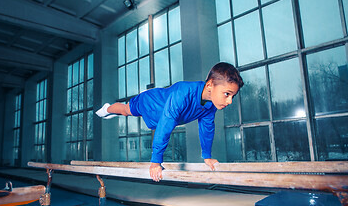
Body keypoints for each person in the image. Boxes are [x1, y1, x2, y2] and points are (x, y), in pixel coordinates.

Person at [96, 62, 244, 182]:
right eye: (227, 94)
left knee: (130, 113)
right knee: (125, 110)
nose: (229, 101)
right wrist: (155, 161)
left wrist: (207, 156)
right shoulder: (183, 93)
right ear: (210, 85)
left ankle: (110, 110)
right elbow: (165, 125)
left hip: (165, 117)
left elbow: (207, 129)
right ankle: (107, 109)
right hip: (151, 104)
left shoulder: (210, 106)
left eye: (232, 96)